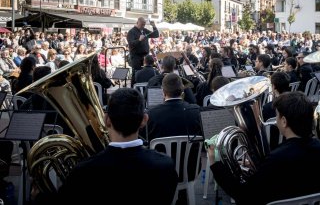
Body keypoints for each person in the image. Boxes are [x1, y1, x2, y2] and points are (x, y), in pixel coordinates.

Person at [32, 88, 178, 205]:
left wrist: (38, 195)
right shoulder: (165, 165)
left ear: (107, 120)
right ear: (144, 120)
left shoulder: (83, 171)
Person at [208, 91, 320, 205]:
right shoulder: (319, 147)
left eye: (277, 116)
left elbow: (243, 195)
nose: (276, 121)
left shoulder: (277, 158)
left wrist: (215, 163)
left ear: (284, 121)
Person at [146, 73, 202, 142]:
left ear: (163, 92)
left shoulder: (151, 114)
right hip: (191, 153)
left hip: (160, 152)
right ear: (182, 91)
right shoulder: (197, 111)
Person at [127, 17, 159, 87]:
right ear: (137, 23)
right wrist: (139, 40)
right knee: (136, 74)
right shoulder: (131, 32)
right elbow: (131, 44)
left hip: (145, 56)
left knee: (145, 73)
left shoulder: (144, 30)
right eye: (142, 25)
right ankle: (133, 89)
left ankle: (144, 89)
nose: (143, 26)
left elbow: (156, 35)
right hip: (136, 57)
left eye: (144, 25)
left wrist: (154, 26)